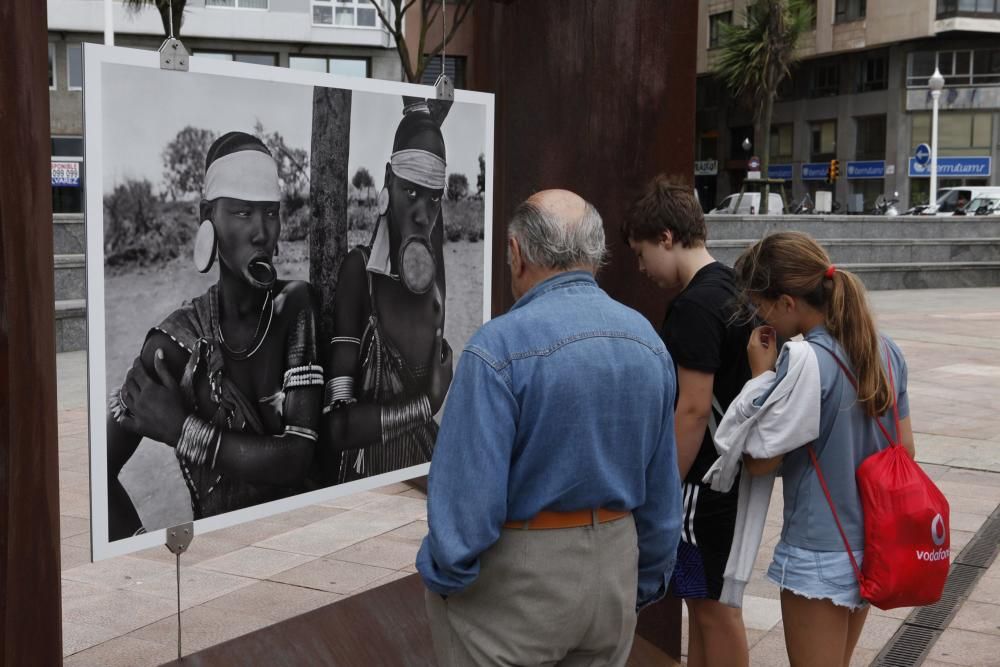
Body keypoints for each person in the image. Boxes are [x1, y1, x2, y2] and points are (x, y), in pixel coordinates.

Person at [417, 190, 683, 667]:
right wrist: (639, 582)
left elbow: (465, 508)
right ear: (595, 254)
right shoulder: (646, 339)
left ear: (516, 254)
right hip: (616, 570)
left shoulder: (497, 348)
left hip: (520, 582)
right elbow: (663, 491)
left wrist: (445, 576)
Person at [107, 131, 324, 540]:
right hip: (219, 562)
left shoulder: (295, 305)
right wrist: (146, 551)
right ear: (207, 217)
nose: (262, 231)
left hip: (305, 544)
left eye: (271, 212)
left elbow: (297, 457)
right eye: (243, 213)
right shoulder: (174, 344)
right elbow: (98, 472)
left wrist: (179, 429)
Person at [735, 231, 915, 667]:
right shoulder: (886, 349)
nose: (759, 316)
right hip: (873, 541)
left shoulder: (803, 363)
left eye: (760, 304)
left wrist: (761, 378)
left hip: (819, 549)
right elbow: (905, 449)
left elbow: (761, 461)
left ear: (786, 303)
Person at [622, 175, 752, 667]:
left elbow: (693, 408)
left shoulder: (694, 306)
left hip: (701, 485)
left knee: (713, 607)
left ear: (667, 239)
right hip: (727, 477)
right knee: (702, 602)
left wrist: (663, 487)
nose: (641, 268)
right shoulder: (730, 284)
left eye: (641, 254)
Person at [320, 101, 452, 484]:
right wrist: (427, 404)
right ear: (388, 181)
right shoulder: (360, 274)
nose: (422, 214)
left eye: (433, 198)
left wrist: (426, 114)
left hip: (429, 464)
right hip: (370, 478)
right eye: (410, 192)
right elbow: (338, 425)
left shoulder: (433, 273)